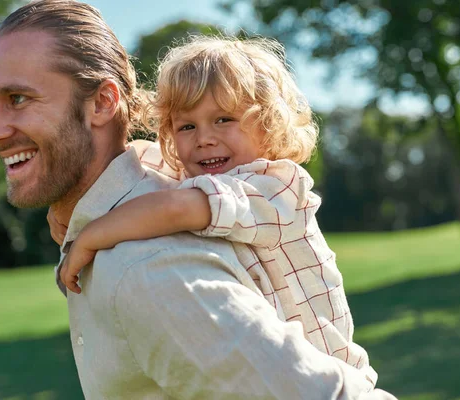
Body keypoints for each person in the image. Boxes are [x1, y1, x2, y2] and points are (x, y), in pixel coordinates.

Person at [0, 0, 397, 398]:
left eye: (18, 98)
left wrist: (89, 234)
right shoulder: (181, 184)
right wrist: (76, 217)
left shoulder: (150, 266)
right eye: (186, 127)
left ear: (104, 102)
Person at [51, 35, 375, 383]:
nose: (204, 138)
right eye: (187, 126)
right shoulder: (203, 176)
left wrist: (91, 236)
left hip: (330, 376)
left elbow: (175, 208)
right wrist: (66, 207)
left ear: (268, 124)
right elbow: (144, 159)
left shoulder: (274, 186)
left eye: (223, 120)